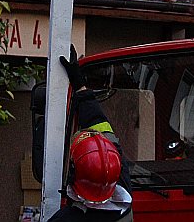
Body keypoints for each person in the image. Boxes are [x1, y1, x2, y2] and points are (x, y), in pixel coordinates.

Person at [48, 46, 133, 221]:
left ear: (74, 173)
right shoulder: (123, 204)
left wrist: (78, 82)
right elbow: (100, 125)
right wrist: (80, 85)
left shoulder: (66, 219)